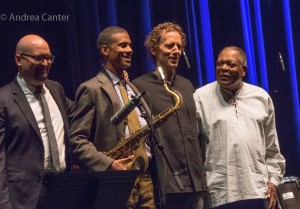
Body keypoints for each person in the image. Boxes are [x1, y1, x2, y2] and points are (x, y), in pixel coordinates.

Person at [70, 26, 155, 209]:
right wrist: (108, 164)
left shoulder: (133, 88)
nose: (130, 50)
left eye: (130, 45)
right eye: (123, 45)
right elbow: (77, 140)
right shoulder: (91, 89)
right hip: (117, 180)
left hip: (145, 178)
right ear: (105, 50)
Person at [193, 46, 286, 209]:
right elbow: (194, 149)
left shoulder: (261, 97)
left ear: (244, 70)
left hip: (258, 190)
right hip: (221, 191)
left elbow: (272, 148)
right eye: (219, 63)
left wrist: (273, 180)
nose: (223, 68)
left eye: (231, 64)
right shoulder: (200, 97)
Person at [132, 22, 206, 209]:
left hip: (196, 183)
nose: (176, 51)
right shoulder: (139, 86)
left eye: (179, 46)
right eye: (169, 46)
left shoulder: (187, 85)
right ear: (154, 49)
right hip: (165, 185)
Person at [0, 34, 75, 209]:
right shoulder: (3, 100)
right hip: (25, 198)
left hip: (63, 189)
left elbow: (82, 114)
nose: (46, 64)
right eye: (39, 58)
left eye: (49, 58)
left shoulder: (56, 89)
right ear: (19, 59)